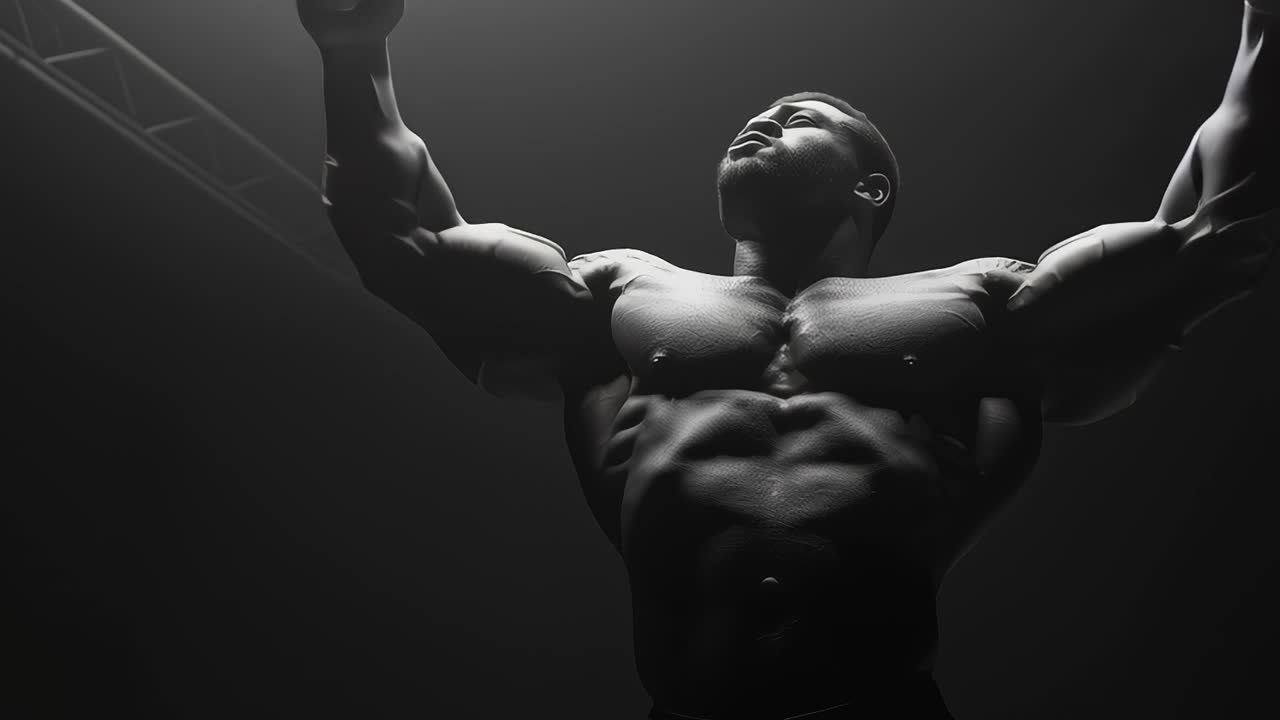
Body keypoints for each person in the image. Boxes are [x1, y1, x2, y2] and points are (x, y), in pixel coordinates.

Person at [296, 1, 1278, 718]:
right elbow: (405, 246)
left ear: (870, 188)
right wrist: (353, 51)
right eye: (754, 119)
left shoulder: (976, 304)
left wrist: (1262, 25)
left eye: (799, 117)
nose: (759, 121)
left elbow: (1215, 230)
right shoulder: (621, 295)